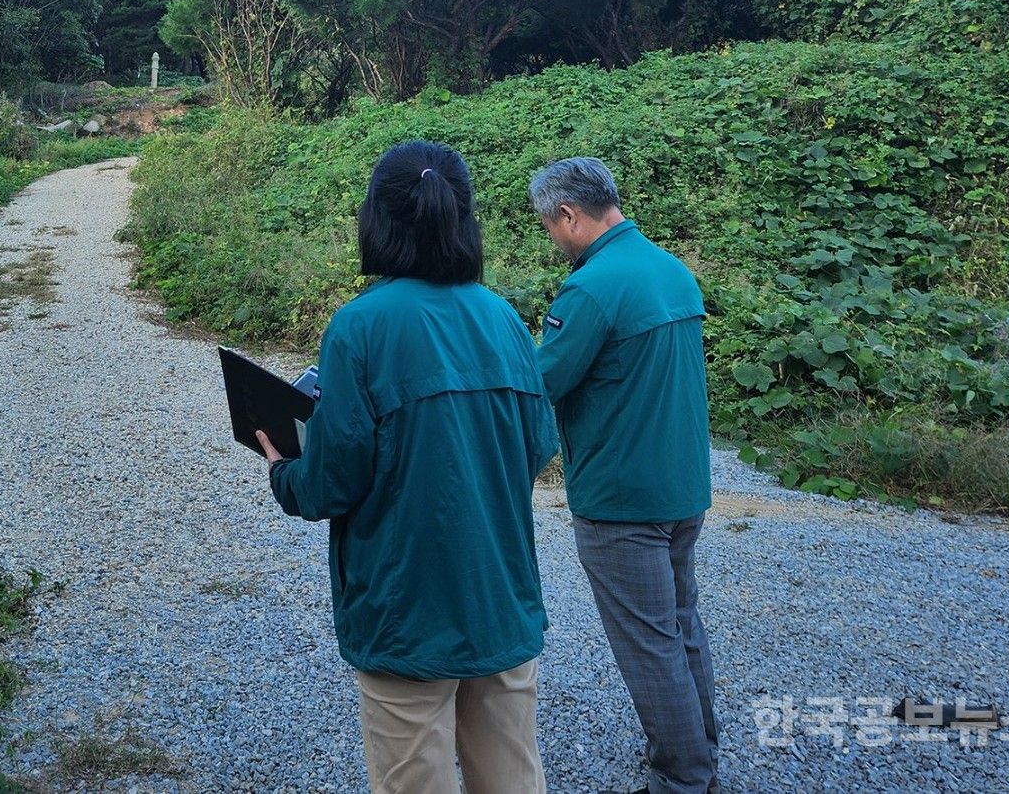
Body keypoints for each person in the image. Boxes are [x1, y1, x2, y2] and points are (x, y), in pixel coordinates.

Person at [257, 140, 557, 794]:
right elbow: (538, 445)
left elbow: (331, 479)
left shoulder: (360, 328)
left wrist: (283, 467)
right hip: (501, 601)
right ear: (463, 218)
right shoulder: (505, 318)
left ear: (377, 218)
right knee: (514, 779)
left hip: (406, 610)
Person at [529, 157, 718, 794]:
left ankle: (684, 776)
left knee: (648, 642)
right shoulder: (670, 270)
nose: (552, 239)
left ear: (569, 215)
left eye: (548, 226)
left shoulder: (591, 289)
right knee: (680, 623)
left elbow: (542, 382)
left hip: (621, 498)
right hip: (682, 484)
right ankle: (701, 745)